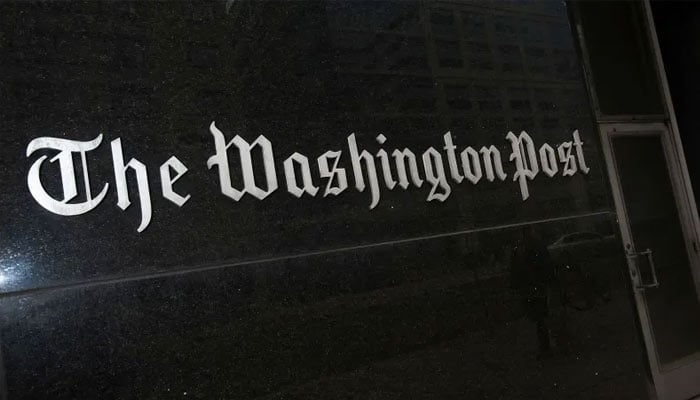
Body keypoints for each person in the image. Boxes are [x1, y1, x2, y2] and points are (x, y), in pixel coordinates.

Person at [510, 225, 556, 359]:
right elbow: (546, 265)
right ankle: (545, 346)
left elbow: (515, 269)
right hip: (536, 286)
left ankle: (545, 347)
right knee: (540, 317)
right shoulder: (534, 246)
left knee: (538, 317)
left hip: (531, 287)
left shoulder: (520, 248)